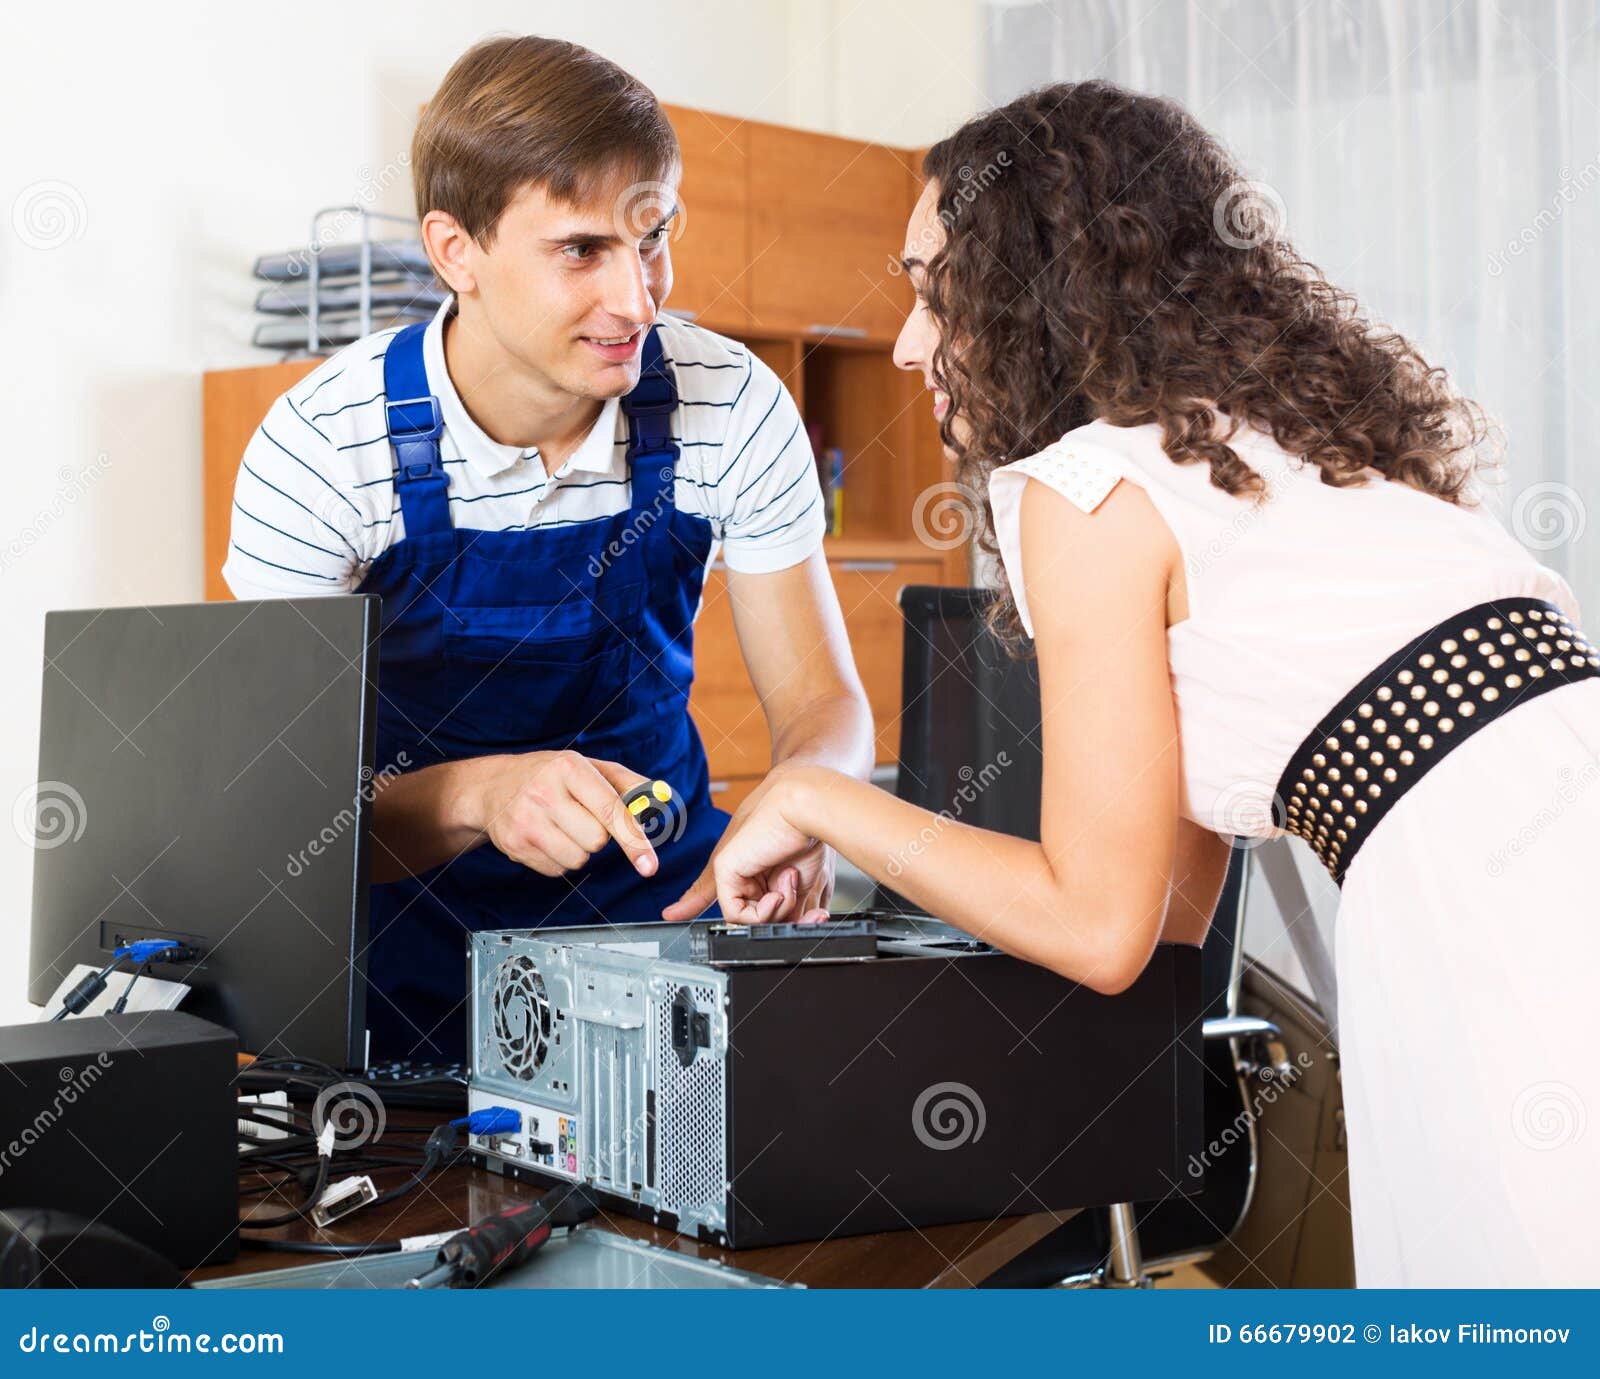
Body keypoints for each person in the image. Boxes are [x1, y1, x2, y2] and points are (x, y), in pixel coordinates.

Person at [701, 80, 1600, 1287]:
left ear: (1033, 287)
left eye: (930, 291)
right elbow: (1166, 909)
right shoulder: (1314, 443)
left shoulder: (1084, 486)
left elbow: (1099, 925)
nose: (909, 340)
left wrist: (814, 797)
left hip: (1490, 921)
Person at [223, 36, 873, 1062]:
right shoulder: (319, 447)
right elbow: (283, 822)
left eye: (653, 235)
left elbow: (823, 706)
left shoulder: (732, 401)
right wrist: (482, 795)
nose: (637, 297)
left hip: (661, 935)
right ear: (456, 251)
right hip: (395, 967)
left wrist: (803, 810)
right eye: (581, 250)